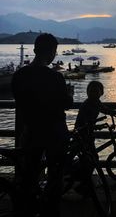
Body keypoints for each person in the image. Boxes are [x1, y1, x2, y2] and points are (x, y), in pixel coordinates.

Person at [11, 33, 73, 217]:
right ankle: (50, 212)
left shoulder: (19, 75)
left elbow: (20, 102)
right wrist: (69, 94)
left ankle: (26, 209)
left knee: (29, 174)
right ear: (52, 52)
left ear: (35, 50)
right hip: (55, 132)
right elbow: (65, 104)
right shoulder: (55, 77)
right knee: (55, 176)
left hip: (30, 130)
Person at [75, 81, 116, 150]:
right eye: (92, 91)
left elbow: (106, 110)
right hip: (83, 133)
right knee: (92, 156)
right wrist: (97, 126)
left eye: (96, 91)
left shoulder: (96, 102)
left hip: (88, 132)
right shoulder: (88, 104)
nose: (94, 93)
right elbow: (86, 122)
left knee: (91, 156)